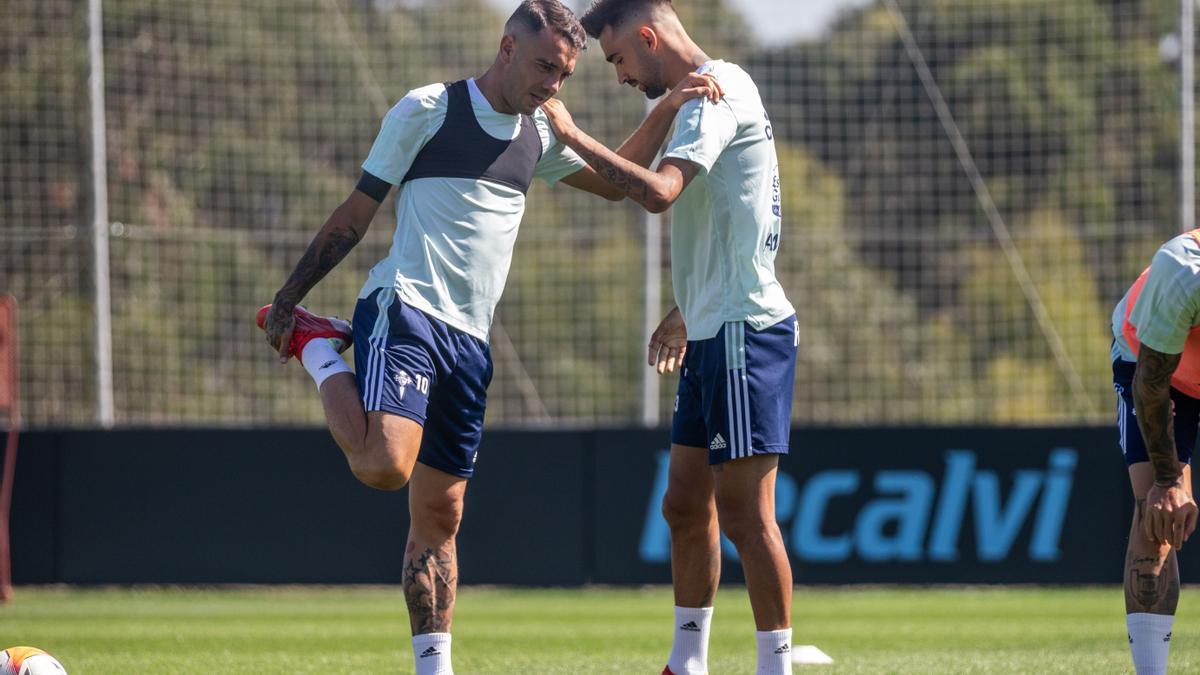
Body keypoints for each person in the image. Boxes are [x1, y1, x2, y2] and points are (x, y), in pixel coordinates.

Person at [255, 2, 721, 672]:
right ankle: (319, 348)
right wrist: (288, 301)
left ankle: (433, 666)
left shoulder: (539, 132)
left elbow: (618, 181)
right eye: (543, 67)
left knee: (441, 515)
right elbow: (354, 215)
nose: (552, 85)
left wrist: (671, 105)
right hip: (406, 309)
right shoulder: (428, 109)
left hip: (470, 346)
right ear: (507, 47)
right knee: (386, 465)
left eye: (563, 75)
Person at [541, 1, 798, 672]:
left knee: (746, 516)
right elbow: (623, 186)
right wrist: (688, 308)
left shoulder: (716, 94)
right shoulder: (692, 100)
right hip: (711, 326)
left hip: (745, 329)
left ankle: (777, 665)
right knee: (685, 503)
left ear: (648, 36)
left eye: (619, 58)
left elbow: (656, 192)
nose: (620, 75)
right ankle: (686, 663)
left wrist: (568, 130)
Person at [1112, 229, 1200, 675]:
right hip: (1156, 365)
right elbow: (1150, 383)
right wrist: (1168, 481)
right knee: (1160, 517)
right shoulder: (1185, 269)